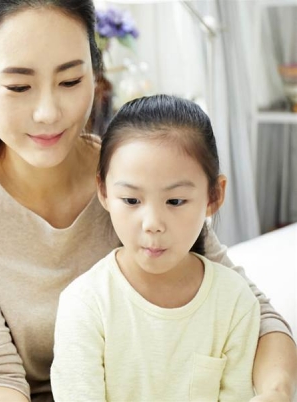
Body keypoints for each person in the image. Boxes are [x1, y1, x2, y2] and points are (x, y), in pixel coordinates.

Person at [0, 0, 297, 401]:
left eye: (69, 81)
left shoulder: (137, 180)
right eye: (19, 87)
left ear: (95, 74)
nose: (47, 112)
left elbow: (257, 315)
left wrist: (275, 391)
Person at [51, 94, 260, 401]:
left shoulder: (235, 302)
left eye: (175, 201)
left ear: (214, 196)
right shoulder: (85, 304)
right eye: (131, 200)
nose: (152, 223)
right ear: (104, 192)